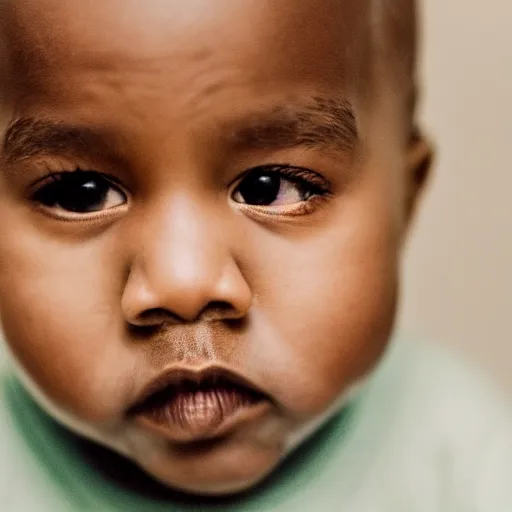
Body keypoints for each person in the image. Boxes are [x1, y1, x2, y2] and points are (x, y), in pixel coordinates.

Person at [0, 0, 510, 510]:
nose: (184, 285)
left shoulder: (469, 468)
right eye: (81, 194)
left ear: (405, 199)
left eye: (271, 188)